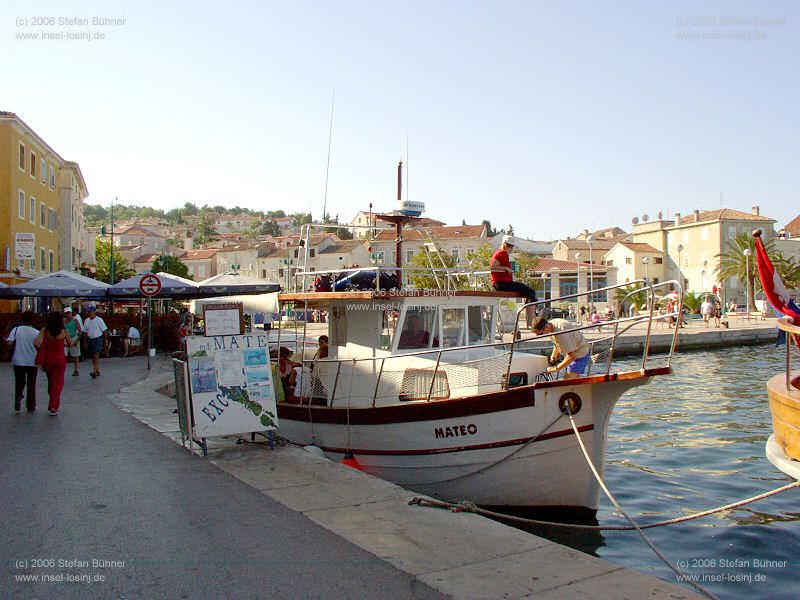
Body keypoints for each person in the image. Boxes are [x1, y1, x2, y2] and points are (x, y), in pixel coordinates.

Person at [490, 235, 537, 329]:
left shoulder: (501, 253)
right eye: (508, 245)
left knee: (528, 292)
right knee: (531, 292)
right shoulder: (501, 253)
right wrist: (506, 268)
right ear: (503, 244)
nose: (510, 248)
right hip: (502, 284)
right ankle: (532, 321)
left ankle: (531, 320)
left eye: (511, 246)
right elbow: (492, 267)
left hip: (502, 283)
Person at [35, 311, 72, 416]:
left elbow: (36, 343)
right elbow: (69, 344)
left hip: (48, 360)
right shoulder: (64, 331)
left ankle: (52, 401)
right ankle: (54, 406)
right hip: (60, 359)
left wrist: (42, 349)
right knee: (58, 383)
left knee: (51, 382)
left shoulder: (45, 330)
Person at [532, 316, 591, 380]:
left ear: (546, 327)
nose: (542, 336)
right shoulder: (552, 326)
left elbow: (571, 356)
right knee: (567, 379)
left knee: (568, 379)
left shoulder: (561, 332)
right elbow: (557, 343)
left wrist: (556, 368)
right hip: (571, 353)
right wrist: (553, 357)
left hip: (579, 354)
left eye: (541, 334)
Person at [8, 311, 40, 412]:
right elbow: (39, 345)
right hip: (32, 360)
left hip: (18, 360)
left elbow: (10, 342)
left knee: (19, 382)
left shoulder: (16, 330)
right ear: (32, 320)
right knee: (32, 383)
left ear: (22, 319)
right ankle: (31, 405)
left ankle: (18, 397)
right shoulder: (36, 332)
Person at [83, 305, 108, 378]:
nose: (89, 313)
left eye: (90, 312)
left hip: (98, 338)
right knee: (93, 356)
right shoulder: (86, 321)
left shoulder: (99, 320)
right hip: (91, 339)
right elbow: (84, 332)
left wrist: (105, 340)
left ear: (94, 312)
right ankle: (97, 369)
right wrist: (85, 342)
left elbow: (104, 330)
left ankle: (94, 370)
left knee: (96, 355)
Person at [63, 307, 82, 376]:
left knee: (75, 355)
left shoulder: (75, 320)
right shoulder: (63, 321)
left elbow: (80, 331)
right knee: (64, 355)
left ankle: (76, 369)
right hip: (65, 339)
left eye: (69, 313)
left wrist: (77, 340)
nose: (68, 314)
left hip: (73, 337)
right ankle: (63, 369)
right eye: (66, 313)